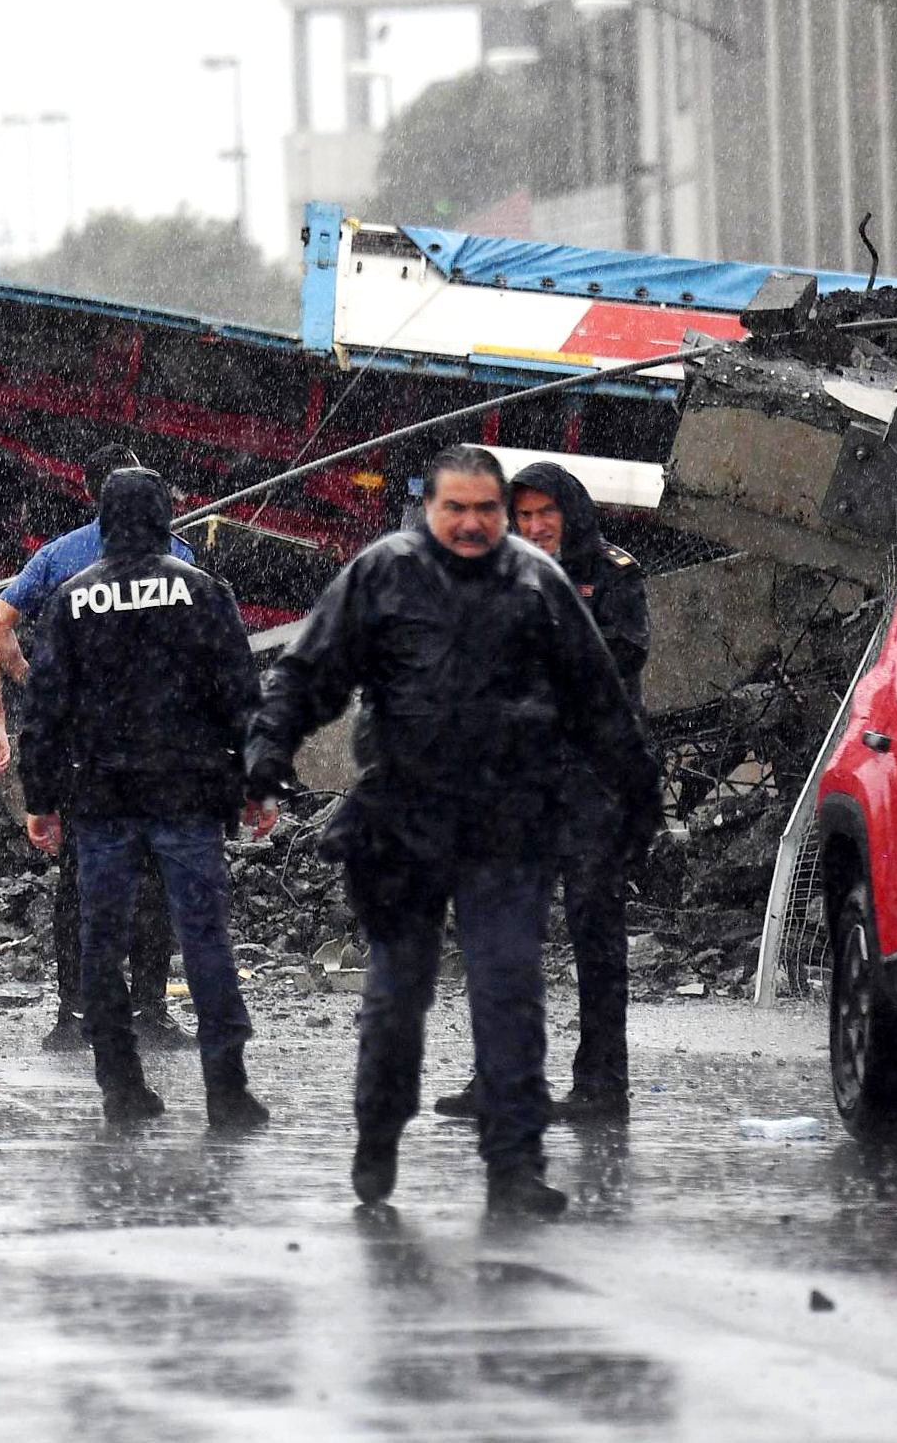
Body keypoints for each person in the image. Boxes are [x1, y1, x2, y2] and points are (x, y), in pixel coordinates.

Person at [246, 445, 655, 1218]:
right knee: (399, 997)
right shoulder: (381, 575)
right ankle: (377, 1134)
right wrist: (269, 746)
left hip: (509, 826)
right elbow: (310, 672)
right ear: (430, 512)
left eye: (484, 510)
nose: (470, 524)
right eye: (453, 509)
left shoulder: (540, 584)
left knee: (509, 990)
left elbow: (602, 694)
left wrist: (640, 792)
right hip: (404, 822)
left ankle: (513, 1164)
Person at [21, 469, 273, 1129]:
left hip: (102, 796)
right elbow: (240, 696)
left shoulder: (72, 599)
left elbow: (45, 710)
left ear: (103, 520)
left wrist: (40, 798)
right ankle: (226, 1089)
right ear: (164, 517)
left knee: (100, 942)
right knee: (205, 939)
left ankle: (121, 1087)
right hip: (186, 791)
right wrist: (254, 784)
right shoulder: (201, 592)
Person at [432, 459, 657, 1125]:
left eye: (544, 516)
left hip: (591, 778)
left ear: (569, 514)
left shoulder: (614, 573)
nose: (535, 528)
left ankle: (600, 1084)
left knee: (593, 927)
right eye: (522, 516)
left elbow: (621, 658)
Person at [0, 442, 194, 1054]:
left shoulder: (60, 557)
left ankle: (74, 1014)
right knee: (153, 881)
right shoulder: (179, 557)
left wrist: (38, 679)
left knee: (80, 882)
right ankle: (149, 1011)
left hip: (83, 744)